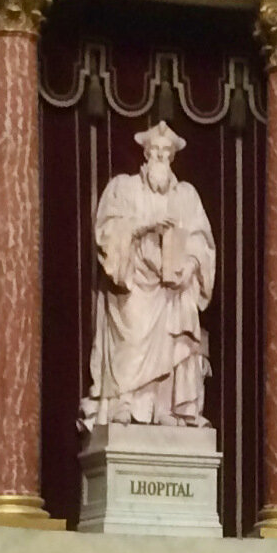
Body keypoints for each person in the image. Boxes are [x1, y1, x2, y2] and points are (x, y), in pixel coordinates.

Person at [84, 121, 216, 428]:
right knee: (131, 334)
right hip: (134, 283)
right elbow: (107, 230)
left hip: (172, 287)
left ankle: (165, 406)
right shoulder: (124, 188)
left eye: (166, 152)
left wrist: (190, 266)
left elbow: (201, 241)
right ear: (146, 154)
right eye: (155, 150)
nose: (160, 156)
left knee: (176, 334)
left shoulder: (186, 196)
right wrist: (144, 226)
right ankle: (124, 401)